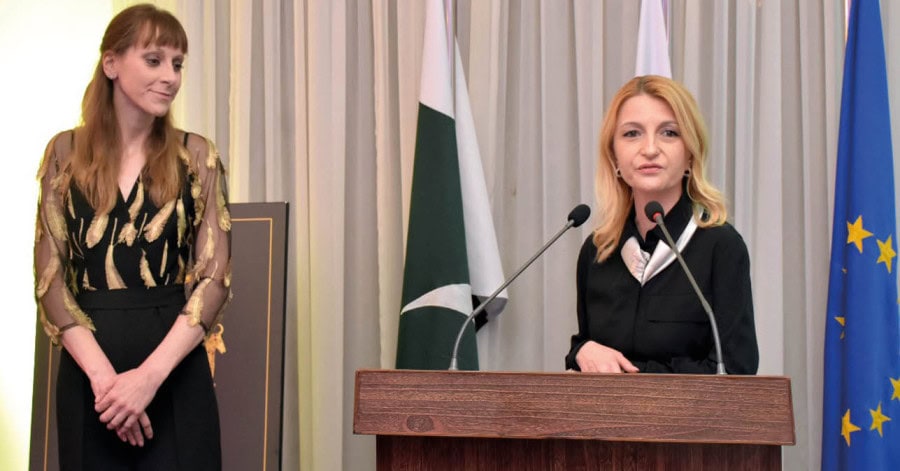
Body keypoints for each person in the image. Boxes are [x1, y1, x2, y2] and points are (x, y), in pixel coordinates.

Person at [33, 4, 231, 469]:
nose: (170, 77)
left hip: (174, 375)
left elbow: (215, 281)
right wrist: (108, 385)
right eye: (154, 60)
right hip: (90, 381)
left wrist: (147, 380)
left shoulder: (196, 155)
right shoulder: (63, 152)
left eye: (177, 64)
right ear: (111, 63)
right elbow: (50, 281)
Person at [565, 75, 758, 375]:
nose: (650, 149)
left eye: (669, 133)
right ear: (614, 155)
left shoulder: (721, 247)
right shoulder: (597, 251)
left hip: (692, 410)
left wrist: (628, 376)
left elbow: (735, 369)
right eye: (632, 134)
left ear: (690, 154)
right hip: (604, 409)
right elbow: (590, 357)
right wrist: (581, 351)